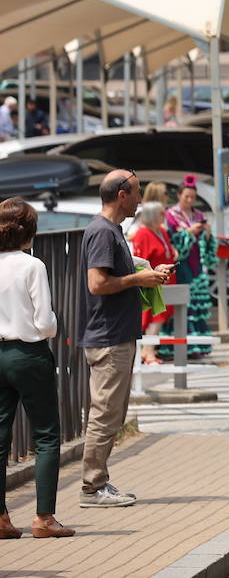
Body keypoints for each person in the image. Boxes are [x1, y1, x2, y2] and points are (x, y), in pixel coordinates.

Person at [78, 170, 171, 508]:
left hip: (114, 333)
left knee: (111, 413)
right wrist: (137, 279)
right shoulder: (103, 232)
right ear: (121, 195)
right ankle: (92, 487)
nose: (140, 199)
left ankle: (98, 482)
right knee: (105, 414)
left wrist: (143, 276)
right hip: (108, 336)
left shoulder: (109, 230)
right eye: (136, 192)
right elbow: (97, 284)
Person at [0, 199, 74, 538]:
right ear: (30, 231)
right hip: (29, 353)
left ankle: (1, 518)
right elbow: (45, 323)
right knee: (46, 435)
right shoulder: (33, 266)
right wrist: (54, 324)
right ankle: (44, 517)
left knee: (1, 436)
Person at [166, 176, 214, 359]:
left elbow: (208, 243)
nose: (189, 200)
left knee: (196, 302)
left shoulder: (199, 215)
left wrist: (207, 232)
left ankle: (197, 345)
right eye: (186, 196)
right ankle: (181, 346)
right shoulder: (171, 215)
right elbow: (172, 241)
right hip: (182, 263)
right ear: (179, 195)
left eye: (192, 197)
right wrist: (188, 232)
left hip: (196, 262)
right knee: (183, 302)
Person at [130, 202, 177, 365]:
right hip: (152, 281)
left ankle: (147, 351)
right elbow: (141, 260)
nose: (164, 217)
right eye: (161, 214)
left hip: (166, 279)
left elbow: (168, 251)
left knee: (160, 318)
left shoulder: (161, 231)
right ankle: (148, 352)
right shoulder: (142, 234)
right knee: (155, 318)